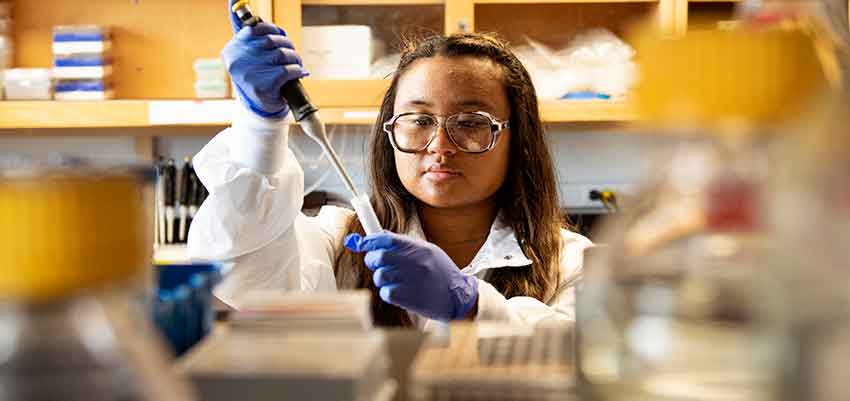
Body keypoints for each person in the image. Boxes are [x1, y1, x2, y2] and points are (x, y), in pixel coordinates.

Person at [188, 10, 592, 329]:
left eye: (470, 123)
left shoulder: (572, 262)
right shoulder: (339, 244)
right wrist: (260, 124)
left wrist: (470, 304)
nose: (439, 146)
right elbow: (241, 269)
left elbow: (583, 360)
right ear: (389, 132)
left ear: (516, 139)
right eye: (418, 120)